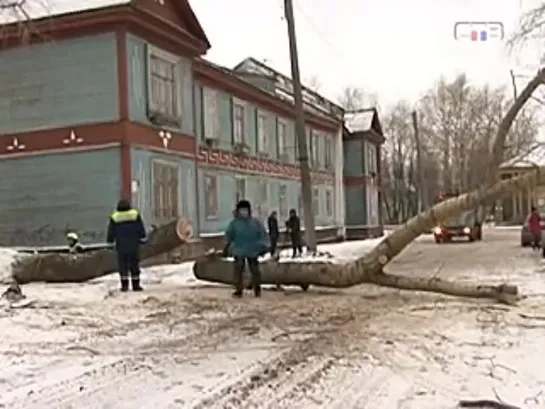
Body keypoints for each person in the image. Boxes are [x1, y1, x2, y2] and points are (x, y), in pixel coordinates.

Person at [224, 200, 268, 298]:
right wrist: (228, 246)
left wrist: (262, 246)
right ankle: (239, 289)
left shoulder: (255, 223)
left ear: (249, 210)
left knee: (255, 270)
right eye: (242, 210)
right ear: (238, 211)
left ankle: (257, 288)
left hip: (253, 249)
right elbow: (228, 236)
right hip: (239, 249)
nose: (244, 212)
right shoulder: (234, 224)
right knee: (238, 269)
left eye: (245, 210)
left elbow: (262, 234)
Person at [107, 199, 147, 292]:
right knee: (134, 265)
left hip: (121, 246)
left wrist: (110, 241)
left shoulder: (115, 217)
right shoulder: (135, 215)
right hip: (134, 245)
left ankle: (124, 286)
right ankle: (136, 285)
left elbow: (111, 231)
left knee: (123, 266)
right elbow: (140, 227)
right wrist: (142, 236)